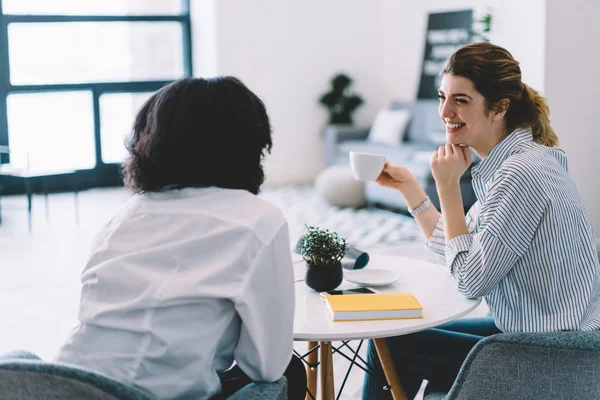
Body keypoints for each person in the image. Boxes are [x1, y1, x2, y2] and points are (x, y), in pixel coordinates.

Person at [362, 42, 600, 399]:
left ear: (499, 108)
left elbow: (470, 280)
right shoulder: (518, 163)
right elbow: (462, 247)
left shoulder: (521, 174)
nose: (444, 111)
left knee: (392, 343)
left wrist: (448, 186)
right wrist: (411, 190)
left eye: (461, 100)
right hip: (549, 337)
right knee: (397, 336)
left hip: (554, 354)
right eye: (443, 96)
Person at [51, 77, 306, 399]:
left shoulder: (126, 215)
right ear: (249, 144)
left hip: (64, 385)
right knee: (288, 371)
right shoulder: (257, 220)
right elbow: (265, 366)